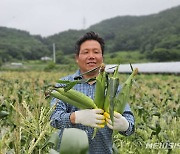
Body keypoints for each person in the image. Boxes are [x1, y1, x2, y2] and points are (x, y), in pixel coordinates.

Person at [50, 31, 135, 154]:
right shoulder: (64, 84)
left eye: (96, 52)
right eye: (86, 52)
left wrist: (125, 125)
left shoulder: (113, 87)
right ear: (77, 58)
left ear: (102, 57)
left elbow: (130, 125)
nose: (91, 56)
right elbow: (54, 118)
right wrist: (76, 117)